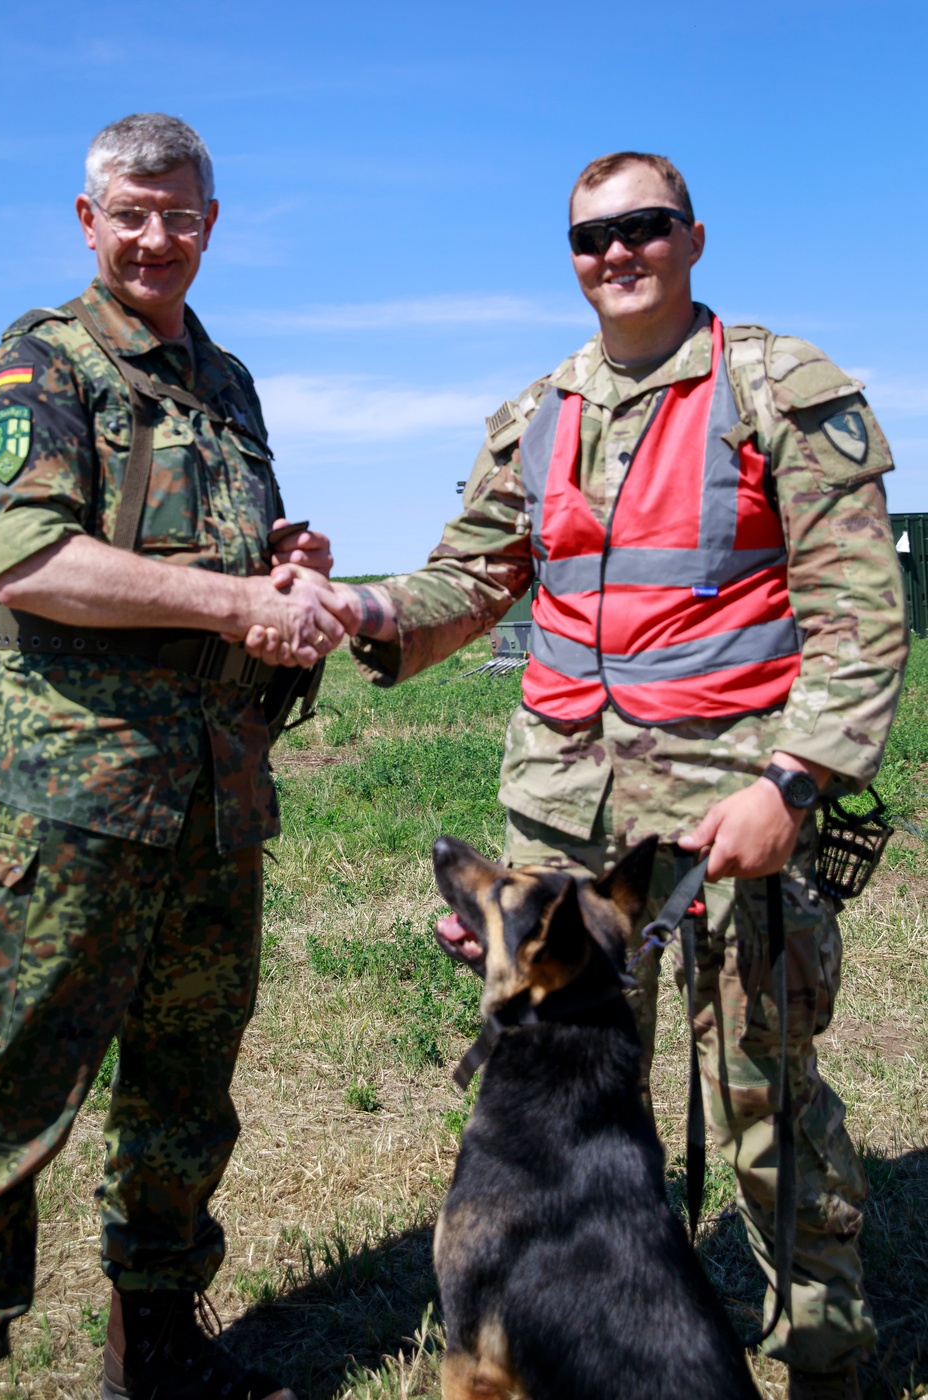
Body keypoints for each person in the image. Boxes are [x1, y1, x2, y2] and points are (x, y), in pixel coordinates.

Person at [320, 153, 908, 1399]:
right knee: (558, 1120)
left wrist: (790, 781)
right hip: (566, 839)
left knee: (767, 1111)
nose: (616, 253)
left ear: (693, 237)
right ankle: (560, 1351)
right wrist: (350, 604)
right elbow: (468, 579)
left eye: (642, 227)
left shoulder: (776, 390)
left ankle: (822, 1360)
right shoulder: (539, 413)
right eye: (591, 237)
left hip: (725, 828)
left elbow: (861, 616)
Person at [0, 113, 348, 1400]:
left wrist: (288, 572)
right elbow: (29, 558)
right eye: (134, 213)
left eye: (182, 217)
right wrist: (234, 604)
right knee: (2, 1109)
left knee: (184, 1101)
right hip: (67, 807)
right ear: (89, 218)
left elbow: (223, 560)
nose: (158, 238)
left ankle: (156, 1349)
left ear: (210, 226)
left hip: (214, 808)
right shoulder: (42, 365)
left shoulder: (227, 383)